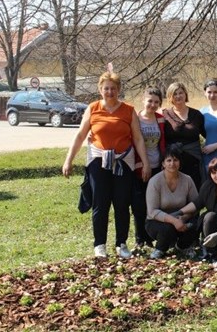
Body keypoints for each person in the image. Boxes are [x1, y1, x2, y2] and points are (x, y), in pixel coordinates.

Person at [62, 71, 150, 259]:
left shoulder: (128, 110)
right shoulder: (93, 108)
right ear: (100, 90)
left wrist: (146, 164)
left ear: (119, 90)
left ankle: (121, 244)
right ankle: (99, 244)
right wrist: (69, 159)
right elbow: (80, 135)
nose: (110, 92)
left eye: (113, 88)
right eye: (106, 88)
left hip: (123, 162)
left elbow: (138, 138)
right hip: (98, 161)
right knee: (100, 204)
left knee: (121, 204)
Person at [145, 145, 199, 259]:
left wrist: (183, 218)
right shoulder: (155, 181)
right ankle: (160, 249)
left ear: (180, 162)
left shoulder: (188, 180)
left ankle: (182, 246)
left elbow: (196, 204)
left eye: (175, 160)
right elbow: (152, 211)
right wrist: (174, 221)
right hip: (158, 221)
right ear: (163, 163)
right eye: (168, 160)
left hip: (182, 218)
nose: (172, 163)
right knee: (167, 228)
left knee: (198, 223)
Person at [132, 86, 166, 253]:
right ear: (143, 100)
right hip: (139, 168)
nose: (152, 105)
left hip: (157, 167)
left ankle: (149, 238)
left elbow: (164, 142)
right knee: (139, 205)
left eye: (156, 102)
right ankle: (140, 239)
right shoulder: (135, 119)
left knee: (152, 205)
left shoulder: (160, 119)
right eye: (150, 101)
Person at [163, 82, 206, 189]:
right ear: (170, 97)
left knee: (193, 192)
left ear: (185, 94)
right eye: (174, 94)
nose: (178, 96)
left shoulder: (196, 114)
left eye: (180, 93)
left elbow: (207, 134)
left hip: (193, 162)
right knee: (174, 190)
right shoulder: (165, 114)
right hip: (173, 162)